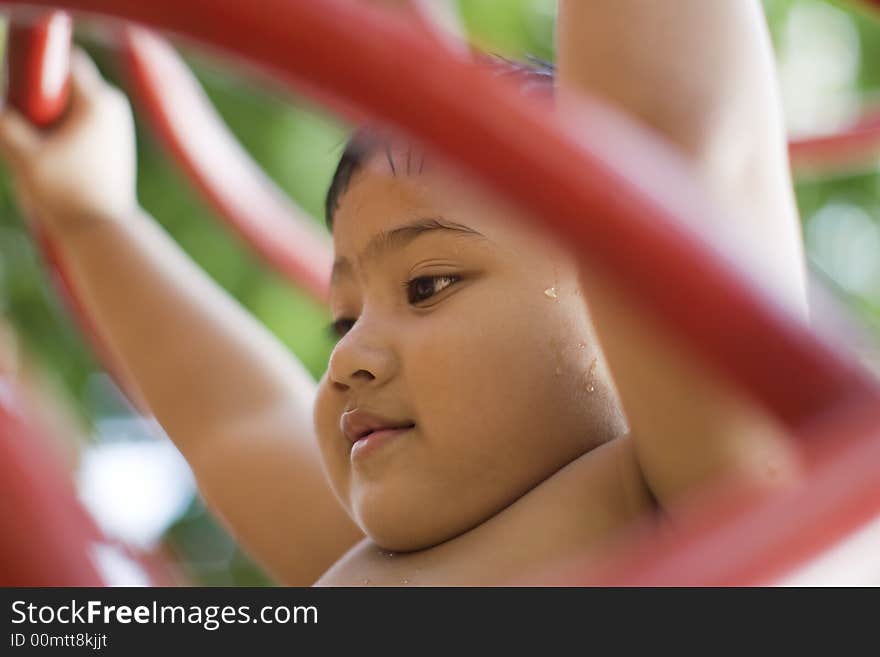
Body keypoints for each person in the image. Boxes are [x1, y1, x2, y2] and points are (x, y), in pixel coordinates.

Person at [0, 1, 806, 586]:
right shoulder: (380, 556)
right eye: (343, 318)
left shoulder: (694, 499)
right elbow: (233, 423)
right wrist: (94, 217)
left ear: (614, 300)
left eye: (427, 286)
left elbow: (674, 132)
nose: (346, 354)